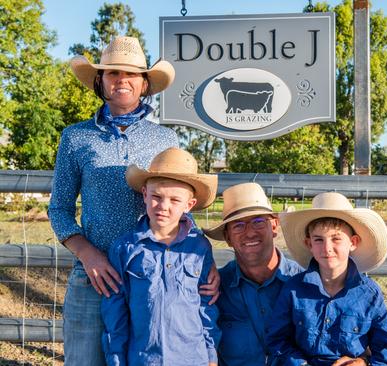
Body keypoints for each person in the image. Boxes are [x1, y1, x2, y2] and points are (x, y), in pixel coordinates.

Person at [48, 36, 218, 366]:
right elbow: (60, 208)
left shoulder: (165, 138)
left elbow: (177, 201)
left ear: (144, 83)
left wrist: (201, 265)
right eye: (112, 73)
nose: (121, 80)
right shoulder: (76, 137)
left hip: (154, 275)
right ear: (100, 81)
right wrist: (88, 255)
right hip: (95, 276)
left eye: (130, 74)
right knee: (85, 360)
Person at [101, 147, 220, 366]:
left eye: (175, 200)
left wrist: (211, 355)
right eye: (156, 196)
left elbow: (206, 304)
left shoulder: (200, 247)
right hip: (144, 359)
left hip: (193, 358)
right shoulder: (125, 248)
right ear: (145, 194)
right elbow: (115, 313)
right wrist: (116, 359)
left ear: (189, 205)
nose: (163, 206)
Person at [267, 192, 387, 366]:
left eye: (336, 239)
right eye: (319, 240)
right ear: (309, 245)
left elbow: (386, 353)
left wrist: (364, 363)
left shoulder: (369, 294)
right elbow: (277, 340)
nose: (327, 248)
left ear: (353, 242)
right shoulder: (294, 289)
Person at [204, 182, 303, 366]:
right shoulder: (215, 290)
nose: (249, 233)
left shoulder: (306, 284)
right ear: (227, 238)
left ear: (274, 226)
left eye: (258, 221)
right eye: (238, 226)